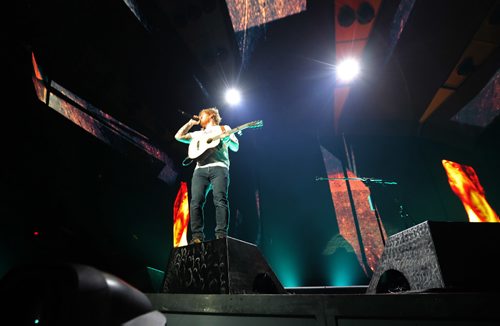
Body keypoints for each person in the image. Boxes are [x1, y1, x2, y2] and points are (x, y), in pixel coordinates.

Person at [174, 107, 239, 244]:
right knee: (195, 202)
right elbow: (178, 136)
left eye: (201, 116)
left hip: (219, 168)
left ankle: (221, 235)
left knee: (220, 200)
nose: (199, 118)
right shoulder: (198, 134)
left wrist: (227, 139)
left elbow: (235, 147)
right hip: (200, 170)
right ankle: (197, 237)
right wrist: (191, 123)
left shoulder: (223, 128)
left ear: (211, 116)